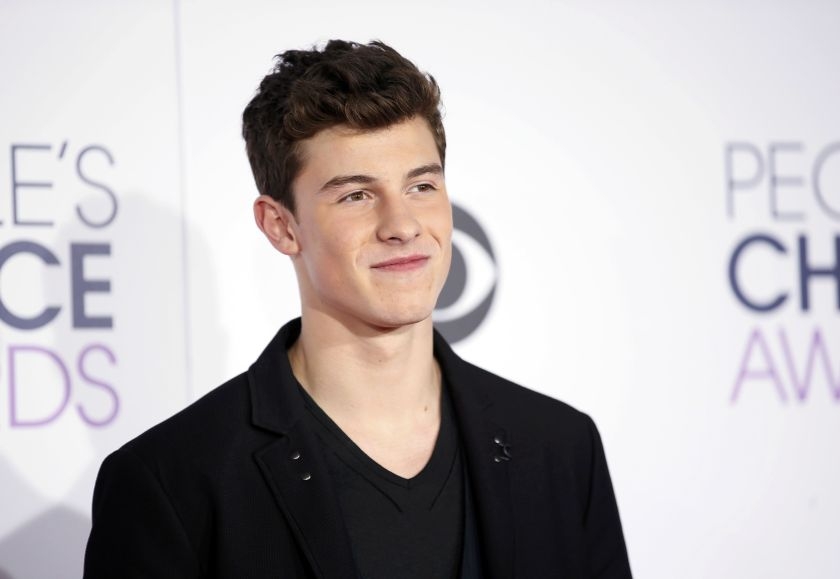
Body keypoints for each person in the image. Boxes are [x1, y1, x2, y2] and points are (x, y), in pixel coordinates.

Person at [84, 40, 632, 578]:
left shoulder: (560, 448)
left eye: (420, 185)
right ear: (281, 225)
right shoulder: (172, 481)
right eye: (356, 195)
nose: (402, 225)